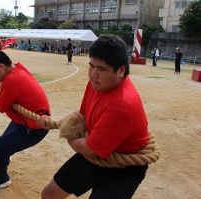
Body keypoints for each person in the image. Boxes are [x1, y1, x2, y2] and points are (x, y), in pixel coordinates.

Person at [38, 35, 149, 199]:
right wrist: (57, 123)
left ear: (121, 71)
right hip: (96, 155)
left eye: (101, 69)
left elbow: (89, 150)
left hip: (123, 167)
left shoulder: (122, 105)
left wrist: (68, 133)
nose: (93, 74)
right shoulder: (96, 84)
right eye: (91, 66)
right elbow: (83, 112)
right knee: (49, 194)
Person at [0, 49, 50, 192]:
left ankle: (0, 180)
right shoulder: (17, 69)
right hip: (23, 121)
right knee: (4, 143)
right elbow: (4, 86)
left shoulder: (11, 80)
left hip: (33, 128)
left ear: (1, 67)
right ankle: (3, 156)